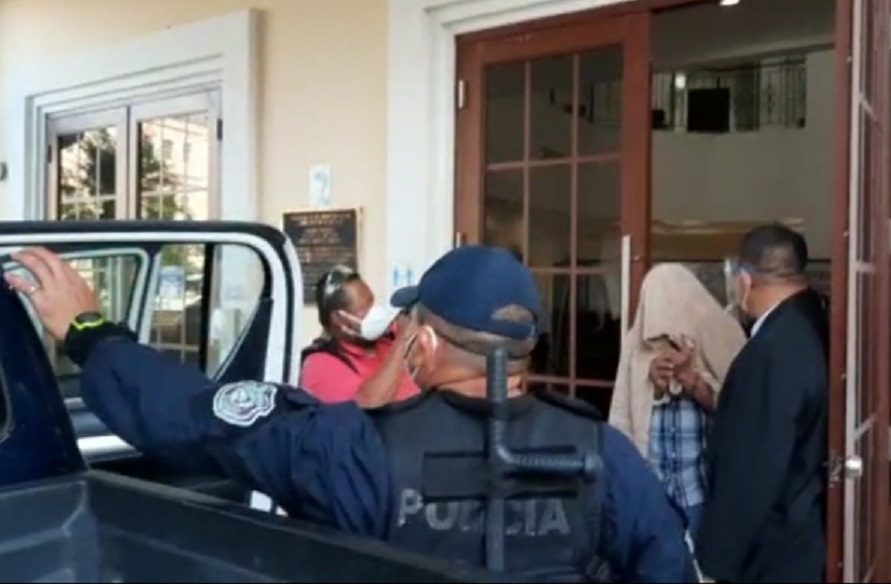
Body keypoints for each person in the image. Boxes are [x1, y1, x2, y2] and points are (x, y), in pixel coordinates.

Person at [5, 245, 695, 583]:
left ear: (420, 343)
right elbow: (665, 569)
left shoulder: (350, 450)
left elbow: (195, 418)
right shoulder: (605, 454)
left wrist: (91, 329)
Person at [696, 225, 829, 582]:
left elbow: (752, 466)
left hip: (774, 552)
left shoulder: (774, 350)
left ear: (744, 279)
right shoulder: (812, 322)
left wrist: (718, 563)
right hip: (804, 536)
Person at [610, 264, 746, 537]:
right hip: (651, 496)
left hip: (702, 495)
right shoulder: (634, 345)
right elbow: (626, 414)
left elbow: (740, 409)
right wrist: (655, 385)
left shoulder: (723, 335)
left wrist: (692, 380)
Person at [300, 265, 419, 408]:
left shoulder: (386, 338)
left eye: (373, 304)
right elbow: (369, 404)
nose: (375, 313)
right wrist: (403, 341)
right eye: (366, 309)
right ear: (340, 319)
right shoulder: (319, 364)